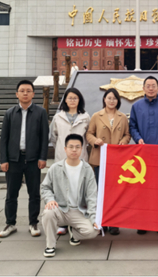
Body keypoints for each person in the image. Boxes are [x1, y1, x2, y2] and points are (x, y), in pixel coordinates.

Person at [0, 80, 49, 238]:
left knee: (34, 193)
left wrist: (43, 157)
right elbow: (4, 139)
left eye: (28, 91)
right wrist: (3, 160)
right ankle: (10, 223)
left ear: (33, 94)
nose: (25, 93)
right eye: (22, 91)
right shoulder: (10, 113)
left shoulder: (40, 112)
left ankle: (33, 223)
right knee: (11, 194)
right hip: (14, 159)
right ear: (17, 94)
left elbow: (44, 138)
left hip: (33, 159)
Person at [129, 75, 158, 235]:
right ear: (143, 88)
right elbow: (132, 126)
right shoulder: (136, 106)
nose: (151, 88)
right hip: (143, 155)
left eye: (153, 85)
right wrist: (138, 138)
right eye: (148, 86)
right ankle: (143, 222)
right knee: (142, 190)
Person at [41, 134, 99, 258]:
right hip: (60, 209)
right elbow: (45, 187)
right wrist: (50, 200)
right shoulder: (55, 168)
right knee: (48, 212)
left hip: (79, 211)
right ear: (65, 149)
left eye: (77, 147)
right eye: (71, 147)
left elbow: (91, 196)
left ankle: (74, 232)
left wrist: (93, 218)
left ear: (82, 149)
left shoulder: (87, 169)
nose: (74, 150)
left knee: (94, 231)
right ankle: (50, 245)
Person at [86, 88, 131, 236]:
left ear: (118, 101)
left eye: (114, 98)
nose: (112, 101)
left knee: (115, 192)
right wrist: (95, 140)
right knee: (101, 192)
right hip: (100, 159)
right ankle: (102, 222)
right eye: (109, 98)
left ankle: (114, 222)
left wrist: (124, 141)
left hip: (117, 160)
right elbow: (89, 134)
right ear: (104, 99)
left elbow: (127, 134)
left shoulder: (122, 117)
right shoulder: (96, 116)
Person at [50, 87, 90, 235]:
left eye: (75, 98)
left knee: (78, 190)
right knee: (61, 190)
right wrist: (63, 149)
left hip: (80, 158)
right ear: (65, 100)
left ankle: (77, 221)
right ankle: (62, 223)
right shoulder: (58, 117)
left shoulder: (85, 117)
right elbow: (54, 137)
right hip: (62, 157)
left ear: (79, 100)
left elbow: (88, 137)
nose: (72, 100)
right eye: (70, 98)